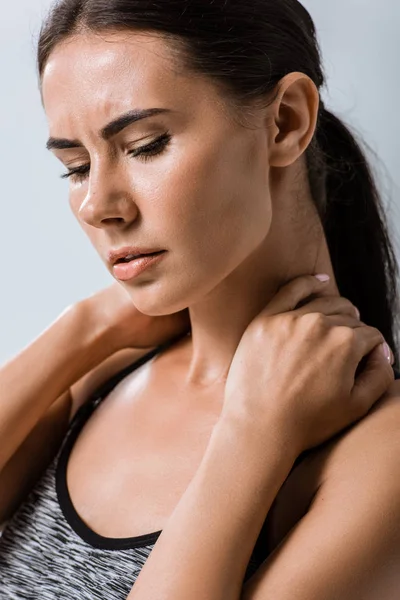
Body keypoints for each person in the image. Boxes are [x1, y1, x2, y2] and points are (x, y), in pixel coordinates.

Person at [0, 0, 399, 598]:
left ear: (286, 122)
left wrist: (255, 433)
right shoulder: (95, 375)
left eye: (145, 145)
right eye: (76, 167)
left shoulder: (380, 452)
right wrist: (84, 329)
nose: (98, 206)